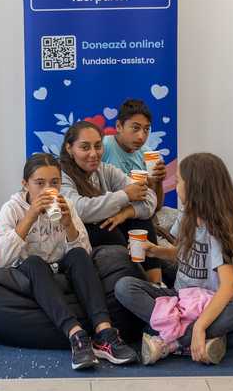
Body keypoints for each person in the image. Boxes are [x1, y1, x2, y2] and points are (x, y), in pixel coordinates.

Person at [0, 154, 138, 370]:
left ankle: (104, 333)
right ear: (25, 184)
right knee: (33, 262)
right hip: (32, 272)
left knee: (78, 254)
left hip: (62, 267)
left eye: (54, 183)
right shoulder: (12, 209)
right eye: (39, 183)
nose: (47, 189)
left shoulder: (66, 203)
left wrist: (69, 224)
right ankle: (76, 335)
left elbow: (85, 252)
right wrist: (30, 216)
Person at [115, 153, 233, 365]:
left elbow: (229, 286)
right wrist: (155, 251)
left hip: (209, 303)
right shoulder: (186, 216)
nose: (176, 183)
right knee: (124, 286)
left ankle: (171, 342)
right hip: (180, 300)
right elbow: (184, 253)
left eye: (180, 180)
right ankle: (210, 337)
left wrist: (200, 326)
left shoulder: (220, 230)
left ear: (195, 187)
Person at [60, 121, 163, 284]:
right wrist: (124, 196)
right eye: (85, 147)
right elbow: (79, 210)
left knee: (141, 220)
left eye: (98, 146)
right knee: (106, 228)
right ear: (69, 148)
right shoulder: (61, 176)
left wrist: (125, 213)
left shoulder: (106, 169)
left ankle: (156, 284)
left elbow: (150, 199)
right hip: (76, 238)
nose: (93, 154)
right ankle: (142, 282)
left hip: (109, 227)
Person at [102, 99, 168, 210]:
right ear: (119, 126)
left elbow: (156, 207)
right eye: (135, 128)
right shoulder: (103, 147)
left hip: (137, 215)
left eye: (146, 129)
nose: (141, 136)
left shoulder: (149, 155)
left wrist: (158, 182)